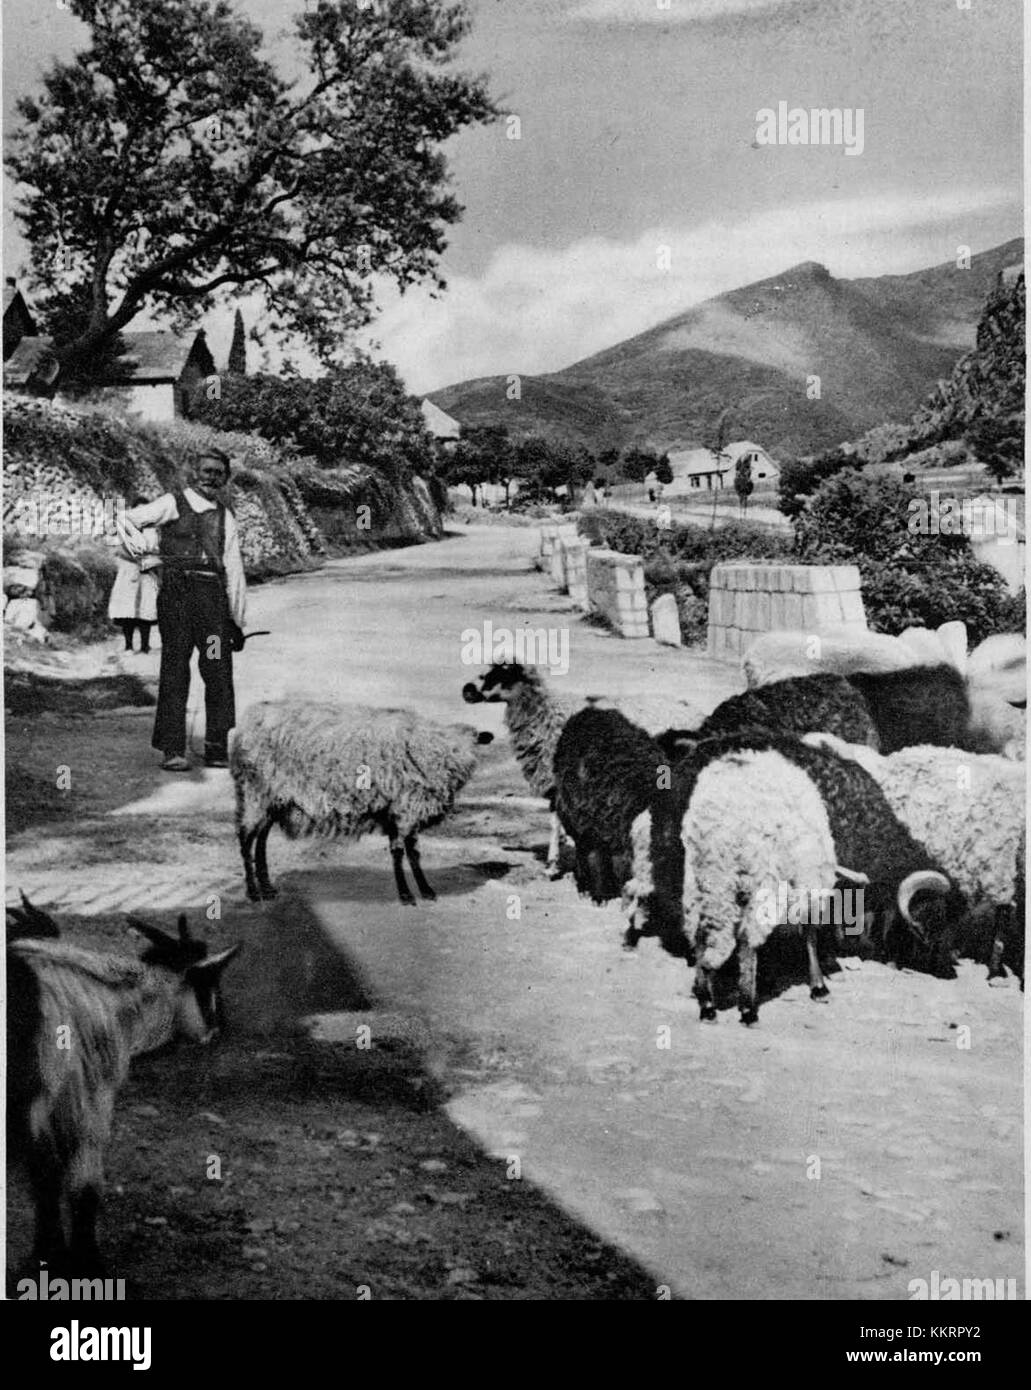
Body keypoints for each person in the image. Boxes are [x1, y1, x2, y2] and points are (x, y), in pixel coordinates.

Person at [124, 448, 247, 771]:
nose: (211, 477)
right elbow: (129, 520)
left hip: (212, 603)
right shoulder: (171, 502)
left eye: (218, 473)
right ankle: (172, 749)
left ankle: (217, 746)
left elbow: (233, 570)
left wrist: (236, 619)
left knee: (218, 670)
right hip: (177, 599)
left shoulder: (225, 516)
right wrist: (146, 557)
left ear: (225, 478)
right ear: (194, 473)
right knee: (176, 668)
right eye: (206, 471)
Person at [108, 495, 160, 654]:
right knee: (126, 611)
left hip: (147, 572)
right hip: (128, 571)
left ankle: (145, 645)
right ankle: (129, 645)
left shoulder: (152, 530)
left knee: (146, 611)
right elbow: (116, 549)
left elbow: (156, 549)